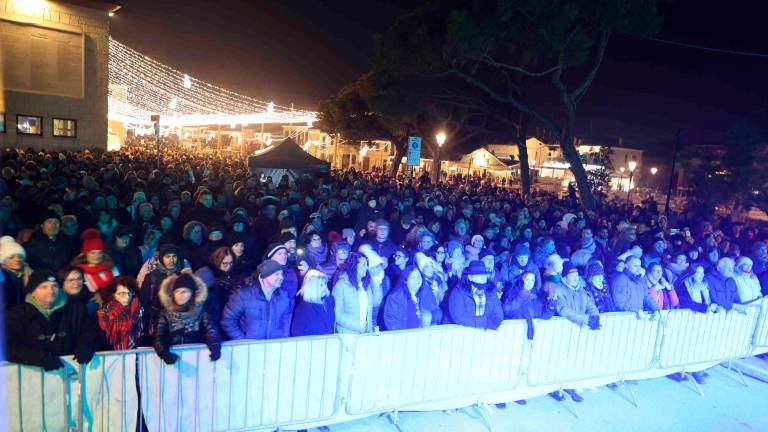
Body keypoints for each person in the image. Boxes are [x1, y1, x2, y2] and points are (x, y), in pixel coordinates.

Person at [4, 269, 100, 370]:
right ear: (32, 291)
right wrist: (38, 358)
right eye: (44, 287)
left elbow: (91, 331)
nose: (51, 291)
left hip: (71, 371)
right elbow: (8, 346)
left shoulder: (75, 309)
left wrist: (86, 346)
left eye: (54, 286)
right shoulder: (16, 315)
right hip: (31, 375)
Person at [153, 269, 221, 364]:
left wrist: (215, 347)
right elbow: (160, 335)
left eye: (185, 291)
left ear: (192, 293)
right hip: (174, 361)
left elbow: (211, 331)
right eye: (177, 291)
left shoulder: (202, 312)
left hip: (198, 359)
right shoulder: (165, 314)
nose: (180, 295)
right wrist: (164, 352)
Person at [221, 260, 293, 340]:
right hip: (250, 348)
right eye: (277, 274)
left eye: (281, 273)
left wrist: (284, 336)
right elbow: (227, 320)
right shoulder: (243, 295)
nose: (281, 277)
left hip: (275, 346)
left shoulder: (284, 296)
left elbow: (287, 318)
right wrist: (242, 340)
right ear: (264, 276)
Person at [447, 260, 504, 330]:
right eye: (478, 274)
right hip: (463, 333)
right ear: (470, 277)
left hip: (486, 331)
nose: (483, 277)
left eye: (484, 274)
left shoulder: (491, 291)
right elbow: (459, 317)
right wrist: (485, 322)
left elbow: (499, 314)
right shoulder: (458, 292)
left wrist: (494, 322)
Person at [97, 275, 149, 350]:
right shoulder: (104, 312)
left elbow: (145, 337)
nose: (127, 297)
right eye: (122, 294)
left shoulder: (141, 310)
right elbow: (100, 338)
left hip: (136, 355)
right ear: (113, 294)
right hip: (110, 357)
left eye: (130, 292)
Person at [195, 246, 240, 332]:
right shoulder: (205, 273)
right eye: (225, 263)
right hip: (210, 316)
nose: (228, 266)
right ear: (217, 261)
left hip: (228, 314)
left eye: (231, 263)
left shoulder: (234, 274)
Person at [382, 265, 436, 330]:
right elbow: (390, 320)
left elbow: (435, 310)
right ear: (405, 280)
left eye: (419, 277)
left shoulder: (425, 292)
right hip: (405, 335)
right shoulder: (395, 297)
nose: (417, 280)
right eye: (413, 278)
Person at [332, 252, 374, 334]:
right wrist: (358, 326)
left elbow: (369, 313)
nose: (367, 267)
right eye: (363, 265)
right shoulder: (341, 285)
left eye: (367, 264)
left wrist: (369, 329)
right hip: (347, 335)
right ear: (354, 266)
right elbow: (336, 313)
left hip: (364, 334)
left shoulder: (366, 286)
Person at [290, 269, 336, 336]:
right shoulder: (303, 309)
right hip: (311, 344)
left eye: (325, 284)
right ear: (312, 287)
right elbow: (296, 333)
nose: (325, 287)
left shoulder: (329, 301)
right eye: (321, 285)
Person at [73, 228, 120, 293]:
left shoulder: (111, 266)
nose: (97, 256)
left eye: (100, 253)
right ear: (86, 254)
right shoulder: (79, 272)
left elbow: (119, 284)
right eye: (92, 253)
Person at [1, 235, 31, 310]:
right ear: (3, 260)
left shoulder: (27, 273)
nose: (17, 259)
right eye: (11, 257)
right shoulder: (2, 277)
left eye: (20, 256)